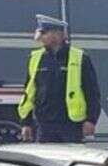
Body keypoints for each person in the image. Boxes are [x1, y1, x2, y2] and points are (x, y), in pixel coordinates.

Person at [18, 14, 100, 144]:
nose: (41, 37)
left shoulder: (80, 57)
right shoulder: (35, 57)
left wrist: (91, 120)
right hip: (44, 125)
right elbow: (29, 93)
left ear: (57, 34)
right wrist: (26, 123)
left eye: (44, 33)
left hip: (71, 125)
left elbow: (92, 92)